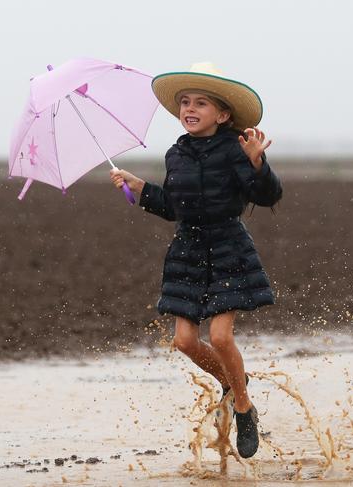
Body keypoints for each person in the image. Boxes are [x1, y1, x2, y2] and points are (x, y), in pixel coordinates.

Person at [110, 63, 282, 459]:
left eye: (200, 103)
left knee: (221, 337)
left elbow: (268, 196)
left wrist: (258, 163)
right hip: (187, 252)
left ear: (222, 115)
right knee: (184, 341)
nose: (189, 108)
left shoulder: (237, 148)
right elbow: (173, 206)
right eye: (185, 102)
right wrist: (139, 188)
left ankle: (242, 407)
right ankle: (233, 382)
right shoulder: (176, 153)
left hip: (227, 247)